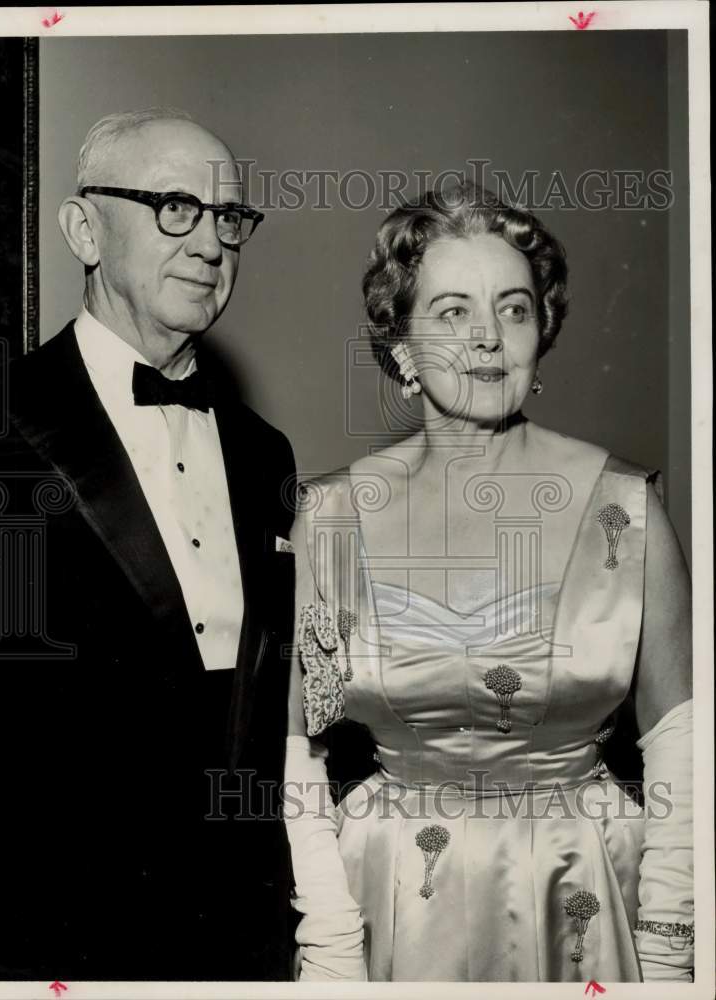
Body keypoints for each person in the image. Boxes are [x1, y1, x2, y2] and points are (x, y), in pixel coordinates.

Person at [283, 180, 693, 982]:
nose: (487, 340)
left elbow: (679, 741)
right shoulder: (331, 517)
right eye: (451, 312)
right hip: (392, 893)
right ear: (399, 341)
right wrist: (329, 942)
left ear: (542, 332)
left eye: (512, 309)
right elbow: (297, 743)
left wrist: (670, 946)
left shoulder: (627, 506)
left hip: (584, 886)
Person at [0, 108, 296, 981]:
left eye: (228, 218)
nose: (211, 244)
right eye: (173, 207)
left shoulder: (265, 455)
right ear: (83, 229)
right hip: (55, 930)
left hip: (246, 928)